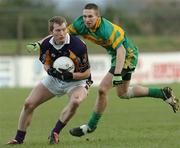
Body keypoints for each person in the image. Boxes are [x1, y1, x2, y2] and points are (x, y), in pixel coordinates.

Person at [27, 3, 179, 138]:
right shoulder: (80, 24)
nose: (87, 19)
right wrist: (39, 44)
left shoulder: (108, 29)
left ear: (98, 17)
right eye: (85, 16)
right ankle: (163, 93)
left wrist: (118, 74)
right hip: (115, 55)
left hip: (127, 55)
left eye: (90, 16)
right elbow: (58, 33)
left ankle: (90, 126)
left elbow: (121, 51)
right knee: (123, 93)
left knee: (102, 90)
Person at [7, 16, 92, 145]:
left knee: (75, 101)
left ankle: (55, 132)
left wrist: (71, 76)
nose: (62, 33)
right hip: (55, 78)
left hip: (77, 81)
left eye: (64, 29)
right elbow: (46, 63)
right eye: (58, 30)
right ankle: (18, 139)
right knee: (29, 104)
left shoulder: (78, 46)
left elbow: (87, 73)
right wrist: (49, 71)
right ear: (51, 32)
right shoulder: (46, 44)